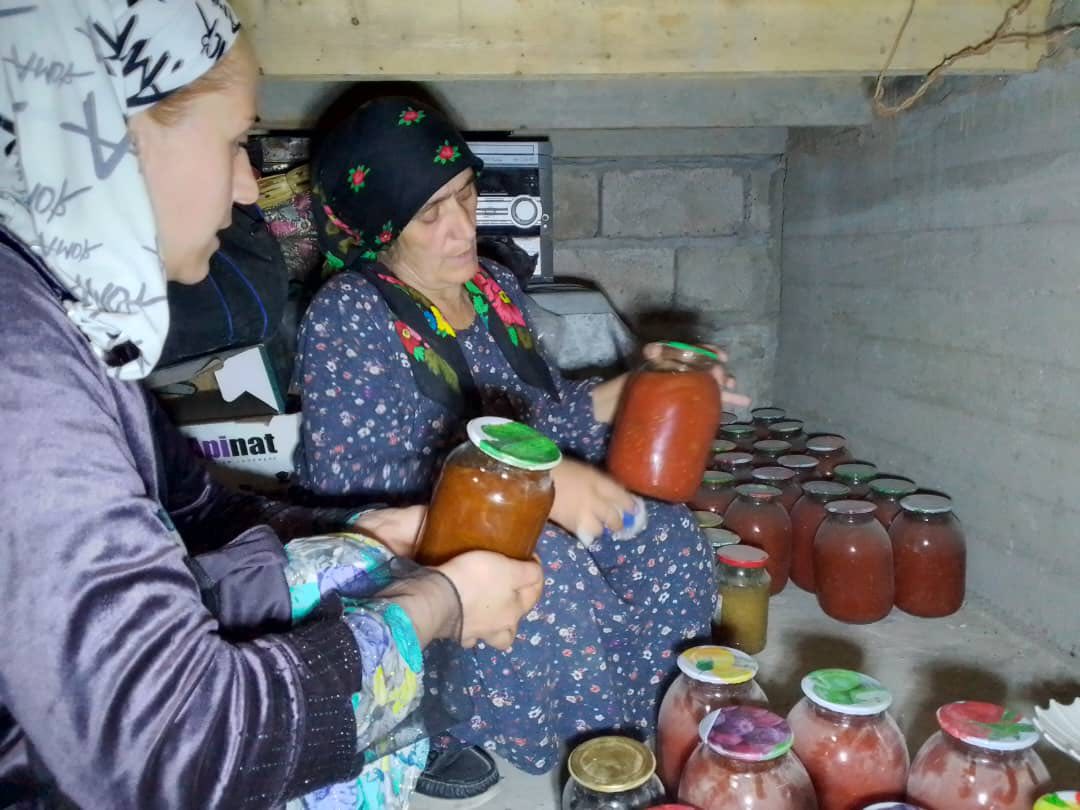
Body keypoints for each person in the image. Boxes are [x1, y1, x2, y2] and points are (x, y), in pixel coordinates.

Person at [0, 4, 541, 809]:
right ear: (111, 139)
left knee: (356, 564)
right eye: (233, 142)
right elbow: (178, 745)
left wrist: (357, 529)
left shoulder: (62, 320)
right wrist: (438, 603)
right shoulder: (22, 377)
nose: (250, 185)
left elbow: (202, 512)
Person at [295, 97, 750, 795]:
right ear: (383, 228)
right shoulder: (348, 313)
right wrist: (530, 479)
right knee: (547, 565)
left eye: (465, 194)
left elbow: (545, 415)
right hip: (397, 538)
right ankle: (576, 759)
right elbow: (351, 480)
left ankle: (662, 716)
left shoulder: (495, 289)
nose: (462, 227)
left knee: (661, 531)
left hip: (516, 500)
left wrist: (644, 388)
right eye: (430, 215)